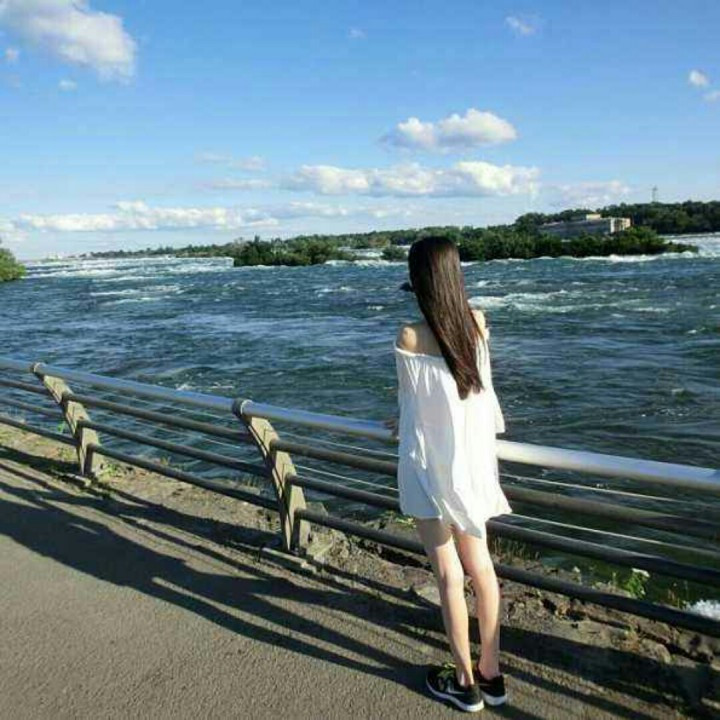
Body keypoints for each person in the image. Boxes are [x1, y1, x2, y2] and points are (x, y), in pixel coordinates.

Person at [384, 235, 512, 713]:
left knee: (447, 574)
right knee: (482, 568)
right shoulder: (477, 322)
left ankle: (463, 683)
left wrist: (398, 421)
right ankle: (491, 674)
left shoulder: (409, 336)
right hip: (472, 464)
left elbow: (412, 408)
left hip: (428, 468)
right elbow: (479, 393)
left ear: (418, 280)